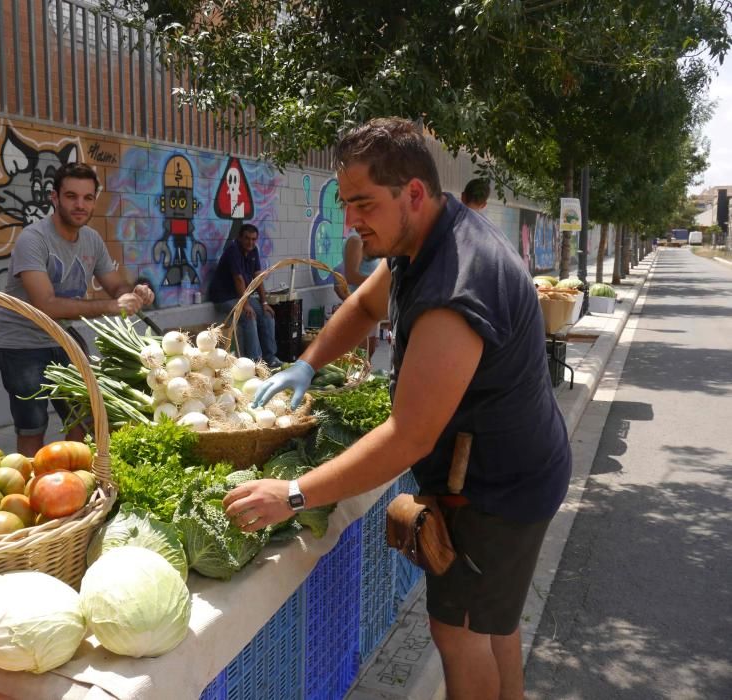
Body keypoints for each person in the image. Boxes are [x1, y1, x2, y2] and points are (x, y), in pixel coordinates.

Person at [223, 118, 571, 700]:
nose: (351, 221)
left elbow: (409, 436)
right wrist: (308, 363)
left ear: (413, 192)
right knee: (494, 622)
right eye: (344, 203)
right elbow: (362, 306)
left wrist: (294, 494)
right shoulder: (421, 240)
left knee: (459, 634)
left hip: (498, 492)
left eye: (363, 204)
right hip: (520, 468)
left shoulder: (454, 288)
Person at [0, 162, 154, 456]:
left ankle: (75, 476)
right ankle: (29, 487)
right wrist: (111, 305)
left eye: (87, 197)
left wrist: (132, 294)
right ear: (54, 198)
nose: (80, 205)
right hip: (22, 344)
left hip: (63, 338)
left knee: (85, 415)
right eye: (71, 196)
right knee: (33, 424)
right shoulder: (34, 239)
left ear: (94, 200)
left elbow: (114, 286)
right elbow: (47, 306)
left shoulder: (92, 239)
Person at [208, 223, 279, 367]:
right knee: (249, 317)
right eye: (247, 238)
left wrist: (264, 303)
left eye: (254, 239)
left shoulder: (253, 251)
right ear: (239, 238)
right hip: (224, 298)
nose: (250, 242)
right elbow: (239, 279)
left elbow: (258, 277)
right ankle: (255, 363)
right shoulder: (232, 251)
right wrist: (245, 305)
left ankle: (270, 358)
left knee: (267, 315)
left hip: (241, 296)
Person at [341, 228, 381, 356]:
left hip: (372, 305)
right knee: (361, 356)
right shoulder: (356, 240)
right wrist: (381, 282)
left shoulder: (366, 239)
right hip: (362, 307)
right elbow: (351, 276)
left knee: (369, 353)